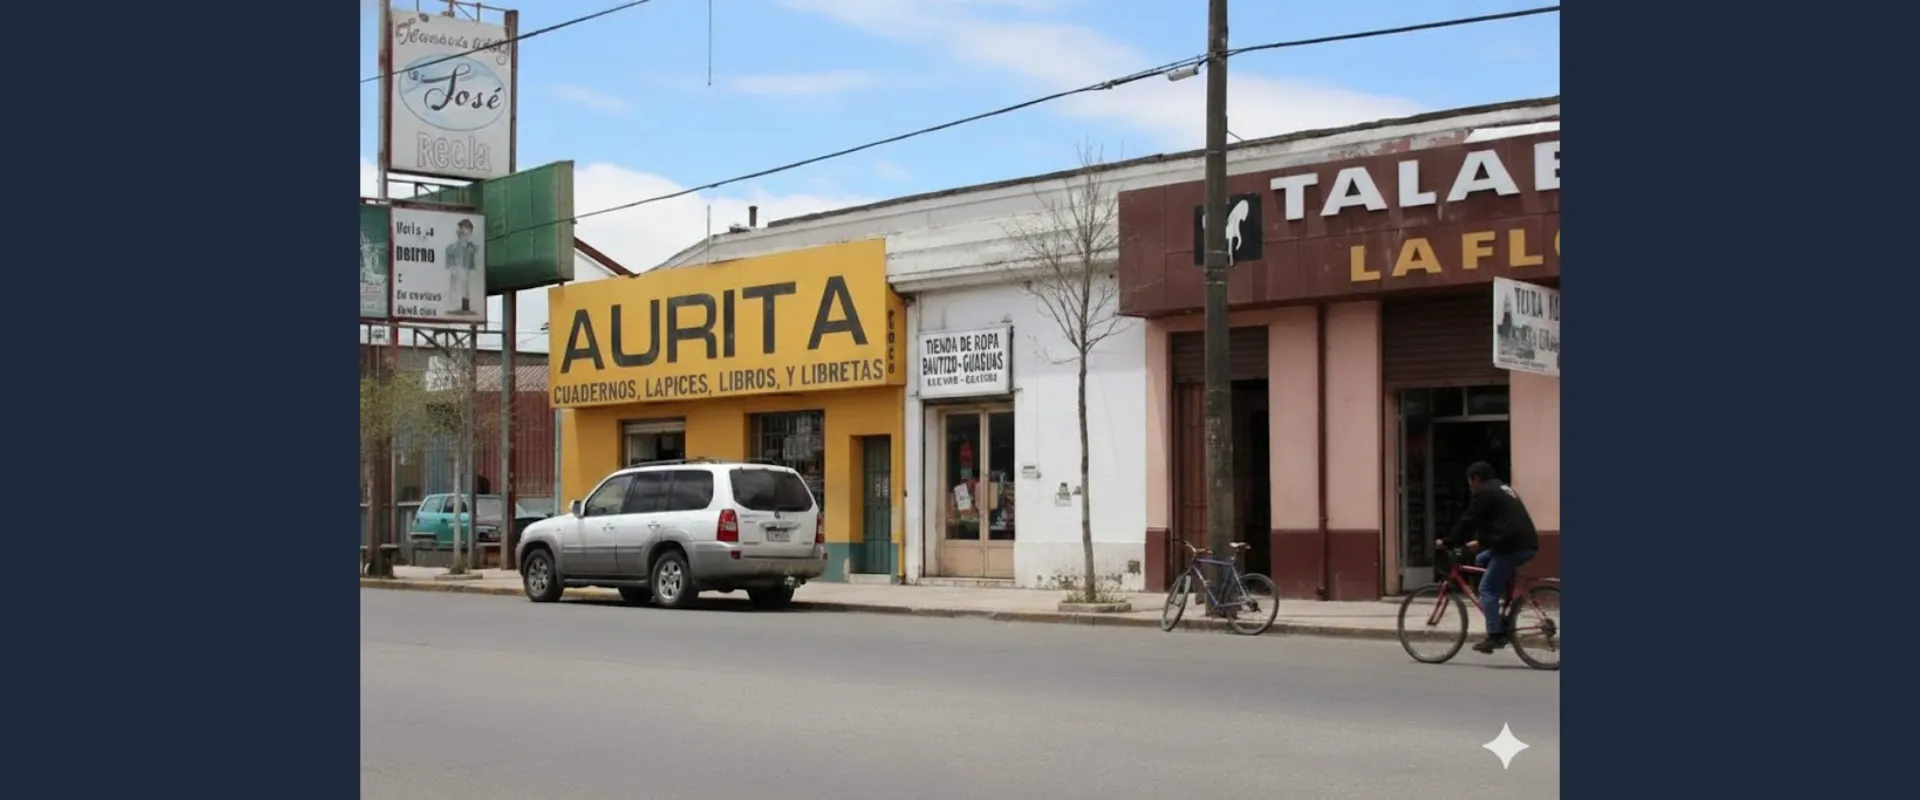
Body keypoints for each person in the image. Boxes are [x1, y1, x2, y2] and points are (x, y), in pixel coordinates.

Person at [1438, 462, 1539, 653]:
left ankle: (1495, 634)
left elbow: (1469, 519)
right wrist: (1482, 542)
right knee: (1481, 560)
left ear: (1475, 478)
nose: (1471, 488)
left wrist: (1449, 541)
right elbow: (1502, 522)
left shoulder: (1484, 492)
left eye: (1470, 483)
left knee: (1486, 589)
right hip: (1521, 542)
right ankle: (1501, 603)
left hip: (1511, 547)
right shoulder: (1502, 488)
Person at [444, 218, 480, 316]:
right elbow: (449, 263)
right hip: (458, 271)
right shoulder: (451, 248)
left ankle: (465, 307)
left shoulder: (473, 248)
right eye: (463, 231)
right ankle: (455, 306)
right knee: (457, 286)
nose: (465, 234)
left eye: (468, 232)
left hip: (468, 272)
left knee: (466, 288)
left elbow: (474, 264)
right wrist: (454, 269)